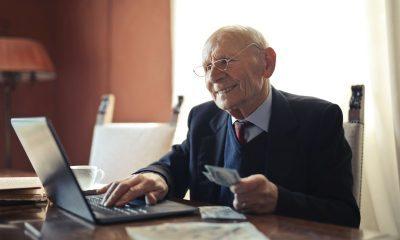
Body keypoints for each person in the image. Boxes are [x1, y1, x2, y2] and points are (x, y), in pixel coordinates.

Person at [98, 25, 360, 227]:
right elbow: (174, 163)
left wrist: (279, 200)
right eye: (207, 66)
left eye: (224, 62)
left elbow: (345, 215)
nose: (213, 76)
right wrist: (157, 176)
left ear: (266, 63)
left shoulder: (318, 119)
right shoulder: (203, 118)